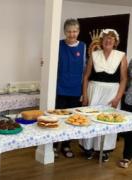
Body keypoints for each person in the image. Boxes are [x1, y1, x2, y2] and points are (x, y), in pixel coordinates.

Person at [79, 29, 128, 162]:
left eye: (111, 38)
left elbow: (124, 79)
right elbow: (86, 76)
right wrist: (85, 94)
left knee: (108, 121)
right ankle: (88, 148)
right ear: (101, 41)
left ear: (115, 42)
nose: (108, 40)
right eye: (106, 38)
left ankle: (104, 150)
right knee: (91, 119)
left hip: (112, 93)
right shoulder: (94, 55)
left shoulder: (121, 56)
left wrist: (118, 97)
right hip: (94, 91)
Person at [54, 19, 86, 158]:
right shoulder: (58, 45)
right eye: (69, 31)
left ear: (78, 32)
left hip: (75, 90)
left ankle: (66, 145)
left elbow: (85, 70)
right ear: (64, 32)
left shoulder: (83, 47)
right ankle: (54, 145)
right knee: (57, 118)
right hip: (60, 89)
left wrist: (83, 92)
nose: (72, 34)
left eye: (74, 31)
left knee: (71, 119)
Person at [119, 59, 132, 168]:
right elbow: (127, 76)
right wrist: (124, 90)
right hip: (130, 98)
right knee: (129, 130)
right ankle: (127, 156)